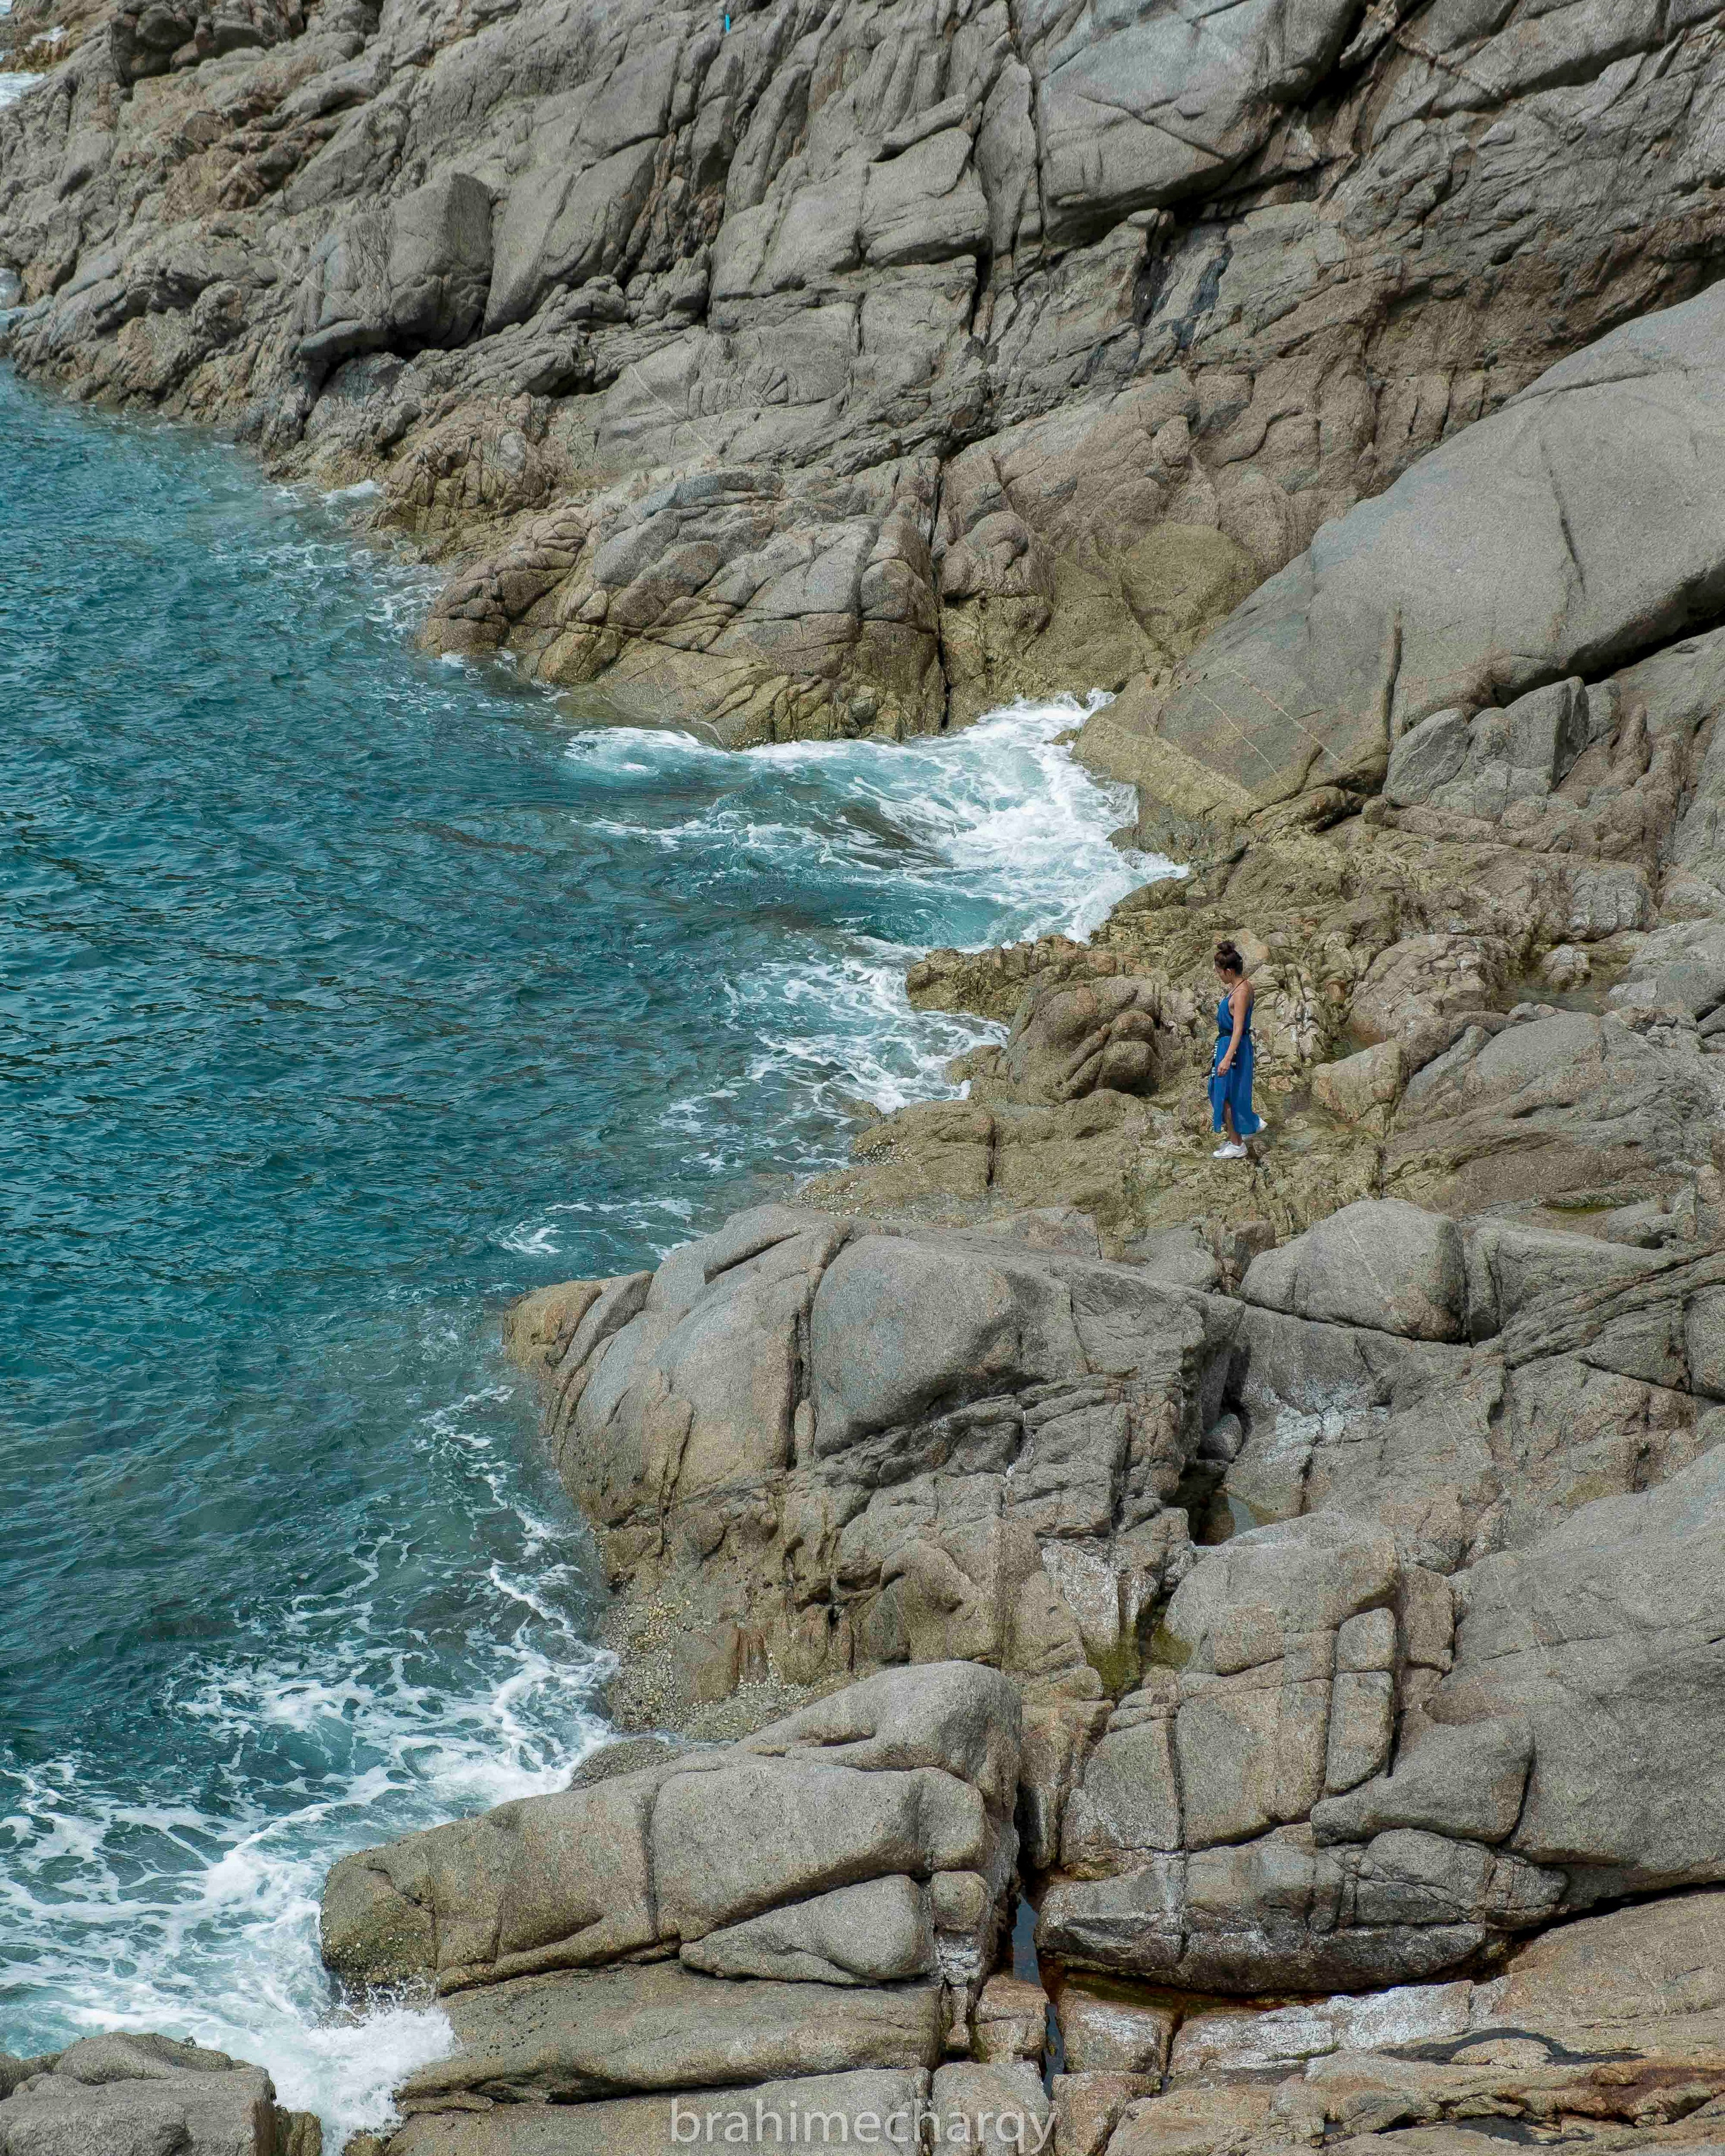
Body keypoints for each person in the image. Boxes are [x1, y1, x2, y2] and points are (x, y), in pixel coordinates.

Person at [1208, 941, 1261, 1160]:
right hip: (1231, 1044)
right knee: (1230, 1092)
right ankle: (1245, 1127)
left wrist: (1227, 1058)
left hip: (1233, 1047)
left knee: (1224, 1094)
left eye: (1219, 972)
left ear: (1229, 971)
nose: (1218, 975)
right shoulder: (1244, 986)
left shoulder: (1240, 994)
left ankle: (1237, 1144)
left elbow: (1238, 1028)